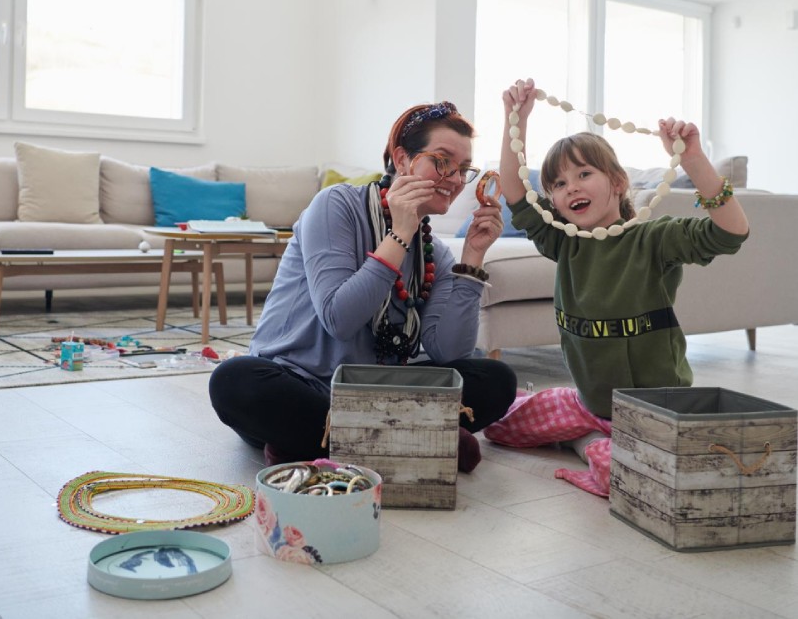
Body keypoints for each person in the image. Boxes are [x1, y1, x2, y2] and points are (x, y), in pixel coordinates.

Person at [209, 101, 518, 473]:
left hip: (380, 392)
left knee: (497, 380)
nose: (454, 179)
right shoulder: (335, 205)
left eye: (463, 169)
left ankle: (326, 447)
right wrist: (399, 234)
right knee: (235, 381)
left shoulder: (434, 251)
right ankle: (415, 442)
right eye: (442, 160)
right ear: (402, 160)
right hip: (304, 384)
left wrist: (472, 258)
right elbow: (339, 318)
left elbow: (447, 350)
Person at [483, 78, 749, 496]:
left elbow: (731, 233)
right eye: (558, 184)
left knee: (627, 479)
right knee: (498, 426)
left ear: (618, 182)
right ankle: (583, 434)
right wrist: (515, 121)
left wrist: (693, 160)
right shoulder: (563, 241)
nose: (570, 186)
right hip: (589, 403)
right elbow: (515, 195)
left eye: (583, 173)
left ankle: (591, 447)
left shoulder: (653, 238)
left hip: (654, 413)